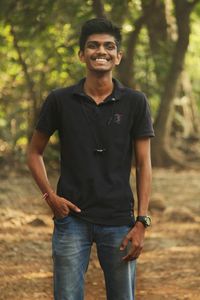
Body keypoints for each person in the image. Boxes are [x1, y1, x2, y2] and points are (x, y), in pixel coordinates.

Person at [27, 18, 154, 300]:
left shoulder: (135, 102)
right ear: (82, 54)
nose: (102, 51)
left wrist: (141, 221)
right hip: (71, 219)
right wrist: (51, 197)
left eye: (109, 47)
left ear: (118, 56)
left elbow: (144, 163)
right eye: (93, 46)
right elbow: (33, 152)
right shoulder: (59, 100)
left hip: (120, 219)